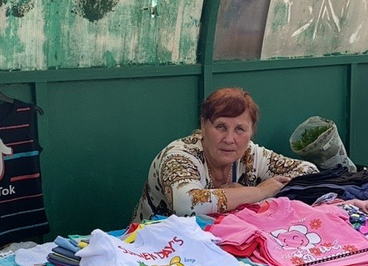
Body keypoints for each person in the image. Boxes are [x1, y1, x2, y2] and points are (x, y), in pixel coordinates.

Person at [132, 88, 318, 222]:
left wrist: (257, 195)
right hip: (157, 249)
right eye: (220, 127)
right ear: (204, 126)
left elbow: (310, 172)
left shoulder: (251, 154)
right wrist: (259, 192)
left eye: (240, 129)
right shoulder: (179, 156)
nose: (229, 139)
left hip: (221, 243)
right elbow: (187, 205)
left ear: (251, 131)